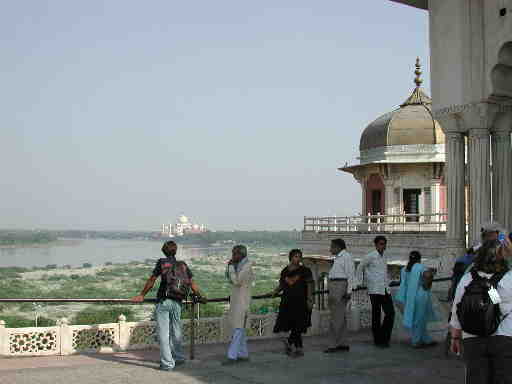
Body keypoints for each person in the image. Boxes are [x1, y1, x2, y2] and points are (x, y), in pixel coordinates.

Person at [131, 241, 206, 371]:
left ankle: (167, 363)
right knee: (176, 331)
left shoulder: (162, 263)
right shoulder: (182, 265)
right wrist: (201, 296)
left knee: (163, 333)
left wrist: (142, 294)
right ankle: (178, 357)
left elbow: (152, 280)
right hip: (178, 301)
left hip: (164, 301)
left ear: (164, 251)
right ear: (175, 251)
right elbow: (191, 283)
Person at [450, 240, 512, 384]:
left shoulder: (467, 279)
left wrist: (455, 337)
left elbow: (456, 310)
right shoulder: (509, 279)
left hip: (472, 338)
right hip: (503, 338)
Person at [271, 249, 314, 357]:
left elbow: (310, 285)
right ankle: (295, 347)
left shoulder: (305, 270)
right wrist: (275, 292)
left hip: (301, 301)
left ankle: (294, 346)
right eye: (295, 256)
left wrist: (310, 299)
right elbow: (282, 285)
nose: (298, 259)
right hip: (287, 301)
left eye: (299, 256)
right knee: (283, 326)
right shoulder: (285, 271)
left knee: (298, 325)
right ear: (290, 258)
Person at [356, 235, 395, 348]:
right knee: (376, 315)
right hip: (374, 289)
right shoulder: (370, 256)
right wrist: (360, 281)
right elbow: (360, 267)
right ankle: (378, 340)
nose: (383, 246)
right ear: (376, 245)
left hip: (384, 288)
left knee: (390, 313)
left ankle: (384, 337)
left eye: (384, 244)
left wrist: (389, 281)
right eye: (381, 244)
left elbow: (383, 272)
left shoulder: (384, 257)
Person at [395, 251, 438, 348]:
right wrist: (427, 286)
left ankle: (425, 339)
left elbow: (403, 283)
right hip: (420, 294)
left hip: (409, 296)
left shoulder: (405, 269)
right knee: (419, 318)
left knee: (417, 317)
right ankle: (416, 340)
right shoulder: (419, 267)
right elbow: (429, 275)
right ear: (419, 259)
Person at [223, 244, 255, 365]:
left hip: (242, 303)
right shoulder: (240, 266)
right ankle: (243, 354)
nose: (232, 256)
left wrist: (231, 267)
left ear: (240, 255)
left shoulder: (246, 267)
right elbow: (229, 278)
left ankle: (232, 356)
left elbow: (236, 281)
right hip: (238, 302)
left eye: (234, 254)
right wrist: (231, 267)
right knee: (240, 330)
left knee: (238, 329)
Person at [324, 238, 354, 353]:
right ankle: (343, 343)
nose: (330, 249)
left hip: (340, 286)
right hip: (336, 285)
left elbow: (351, 275)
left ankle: (333, 344)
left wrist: (349, 291)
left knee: (336, 317)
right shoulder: (339, 258)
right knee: (340, 317)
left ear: (337, 247)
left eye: (331, 246)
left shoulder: (346, 257)